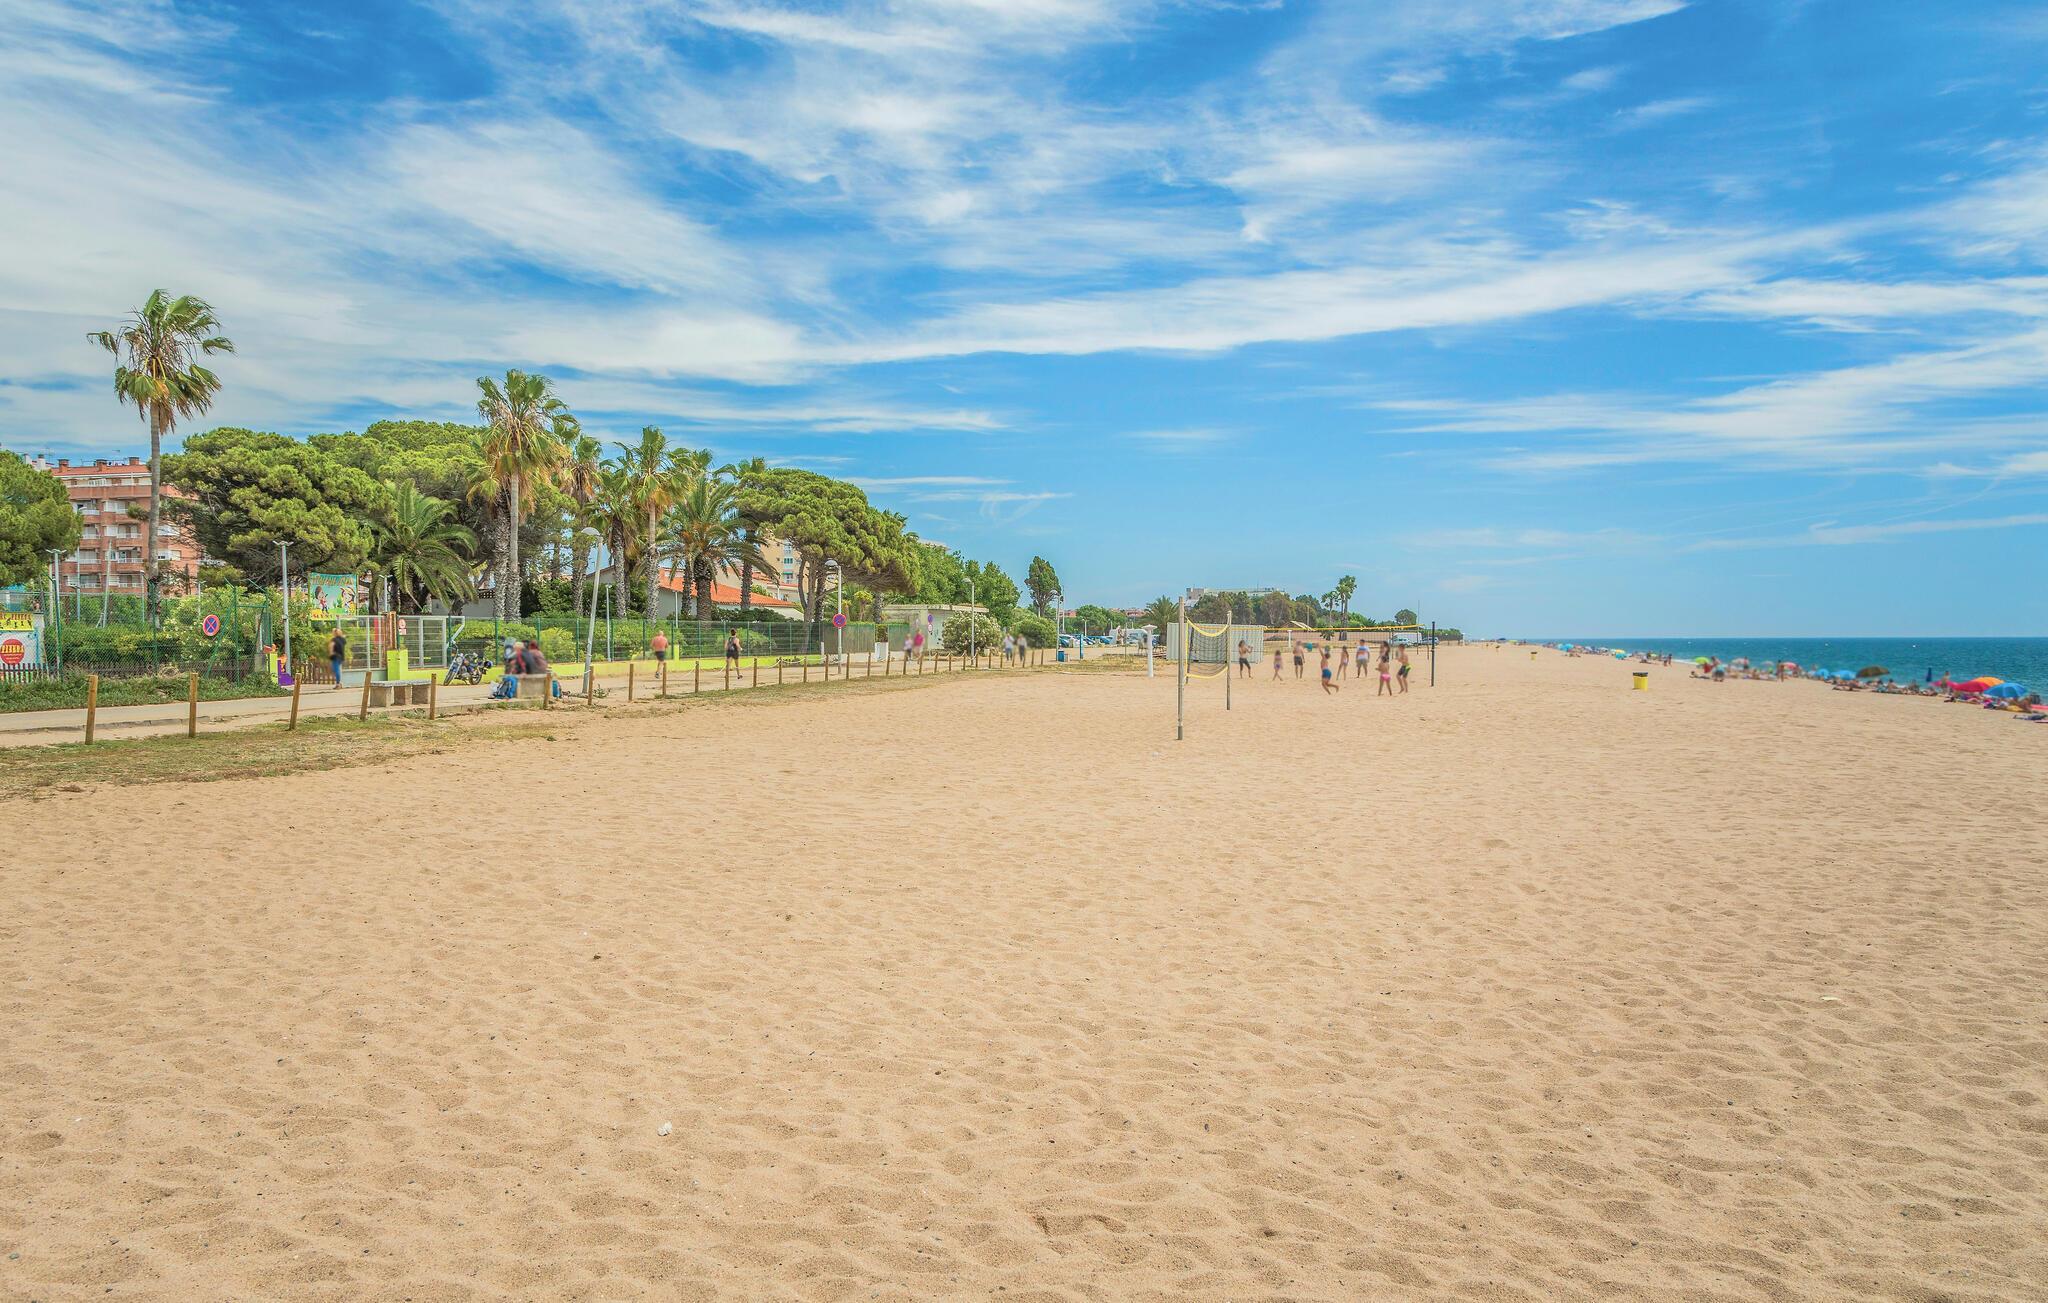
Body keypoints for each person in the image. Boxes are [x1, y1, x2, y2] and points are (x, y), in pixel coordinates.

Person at [328, 626, 348, 691]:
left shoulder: (334, 639)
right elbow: (344, 640)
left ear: (335, 633)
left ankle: (338, 684)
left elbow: (331, 646)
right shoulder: (342, 639)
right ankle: (339, 683)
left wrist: (331, 653)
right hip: (341, 657)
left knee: (336, 670)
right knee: (337, 670)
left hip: (335, 656)